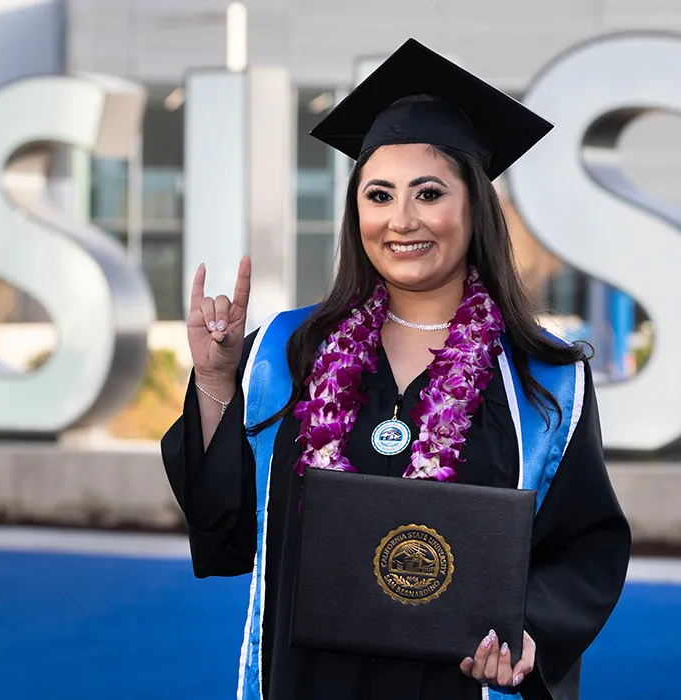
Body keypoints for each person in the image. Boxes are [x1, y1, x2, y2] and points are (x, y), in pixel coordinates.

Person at [161, 38, 631, 700]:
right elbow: (232, 536)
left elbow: (584, 547)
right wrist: (214, 381)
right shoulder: (288, 352)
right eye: (378, 195)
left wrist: (531, 632)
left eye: (429, 192)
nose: (401, 220)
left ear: (473, 206)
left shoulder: (541, 378)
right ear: (357, 213)